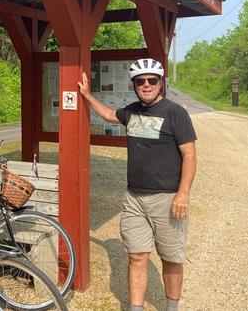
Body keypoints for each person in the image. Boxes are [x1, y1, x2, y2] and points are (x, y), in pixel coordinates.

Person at [78, 58, 197, 311]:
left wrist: (183, 194)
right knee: (137, 256)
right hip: (134, 198)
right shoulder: (131, 111)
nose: (146, 85)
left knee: (171, 258)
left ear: (160, 83)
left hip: (167, 198)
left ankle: (171, 308)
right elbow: (110, 115)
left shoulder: (176, 113)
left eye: (151, 80)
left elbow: (190, 155)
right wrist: (87, 95)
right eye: (140, 81)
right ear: (134, 85)